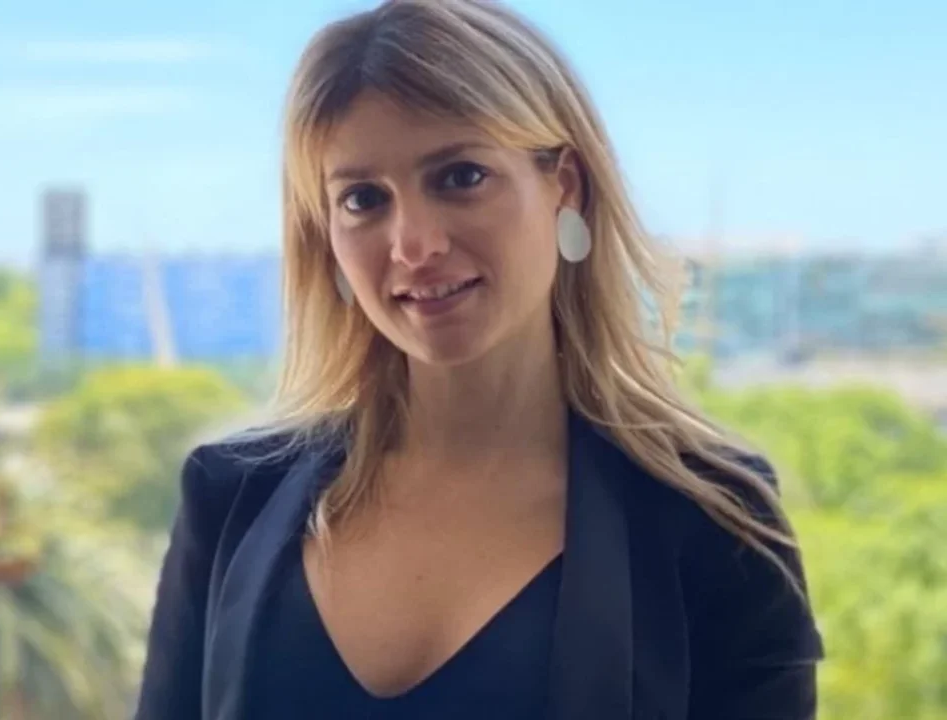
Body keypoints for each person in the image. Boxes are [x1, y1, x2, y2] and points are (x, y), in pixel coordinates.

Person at [135, 0, 824, 718]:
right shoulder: (230, 500)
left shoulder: (715, 520)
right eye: (364, 199)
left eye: (460, 177)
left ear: (565, 185)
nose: (414, 244)